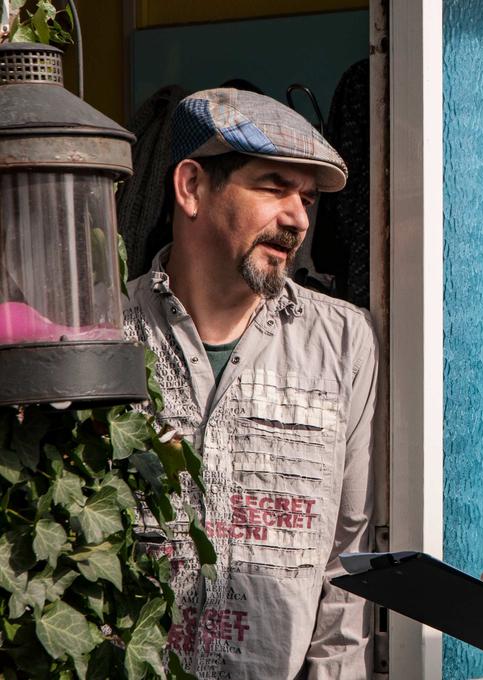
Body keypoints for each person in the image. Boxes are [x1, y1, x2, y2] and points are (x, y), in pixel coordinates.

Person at [123, 88, 377, 679]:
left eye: (307, 198)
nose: (298, 219)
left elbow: (349, 562)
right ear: (191, 187)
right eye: (272, 186)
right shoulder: (107, 334)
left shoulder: (344, 341)